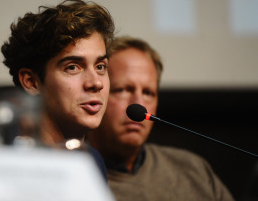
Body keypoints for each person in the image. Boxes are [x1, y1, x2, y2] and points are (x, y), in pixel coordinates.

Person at [86, 36, 235, 201]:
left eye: (148, 93)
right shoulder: (72, 176)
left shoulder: (193, 168)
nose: (139, 104)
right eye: (122, 90)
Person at [1, 0, 115, 179]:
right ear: (31, 82)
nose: (96, 83)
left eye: (100, 66)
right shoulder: (0, 165)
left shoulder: (92, 161)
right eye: (72, 67)